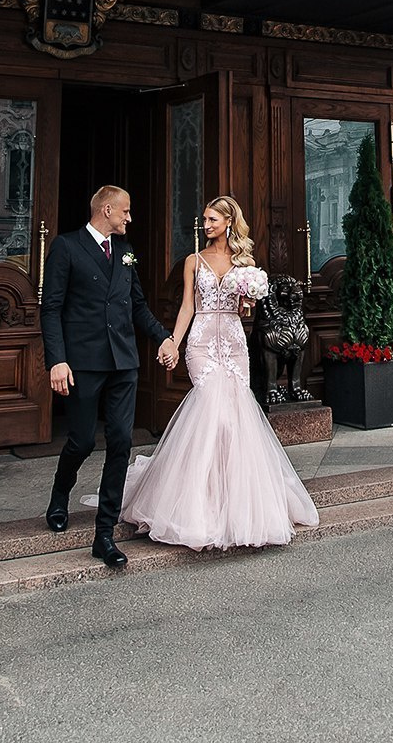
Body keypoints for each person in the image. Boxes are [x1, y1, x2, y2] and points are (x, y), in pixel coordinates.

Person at [117, 195, 318, 550]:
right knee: (211, 413)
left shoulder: (246, 264)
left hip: (234, 342)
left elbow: (245, 314)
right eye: (205, 219)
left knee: (235, 418)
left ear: (228, 222)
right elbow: (186, 308)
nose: (205, 225)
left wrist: (248, 301)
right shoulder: (193, 261)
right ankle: (197, 505)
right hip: (202, 344)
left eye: (212, 219)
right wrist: (173, 344)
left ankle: (236, 503)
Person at [41, 184, 174, 569]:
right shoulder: (67, 247)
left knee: (120, 442)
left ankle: (104, 534)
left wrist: (163, 337)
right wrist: (57, 360)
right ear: (107, 210)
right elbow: (51, 308)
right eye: (126, 212)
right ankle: (59, 494)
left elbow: (137, 305)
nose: (130, 219)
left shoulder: (127, 252)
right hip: (81, 362)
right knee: (81, 442)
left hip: (123, 363)